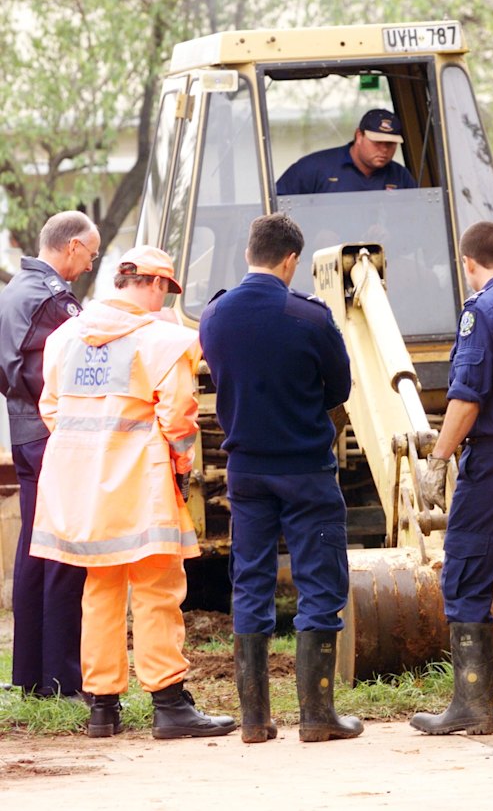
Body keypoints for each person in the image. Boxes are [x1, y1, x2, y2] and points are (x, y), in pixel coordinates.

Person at [30, 245, 236, 740]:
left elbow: (51, 408)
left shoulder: (63, 338)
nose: (164, 301)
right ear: (156, 284)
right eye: (165, 290)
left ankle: (102, 708)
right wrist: (181, 467)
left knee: (99, 592)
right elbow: (179, 418)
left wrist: (92, 450)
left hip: (82, 487)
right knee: (158, 591)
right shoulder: (165, 342)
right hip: (141, 483)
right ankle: (169, 704)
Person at [199, 212, 363, 744]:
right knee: (318, 582)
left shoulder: (214, 316)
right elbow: (339, 388)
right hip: (306, 470)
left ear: (250, 251)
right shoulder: (310, 317)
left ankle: (253, 721)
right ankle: (317, 717)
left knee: (251, 582)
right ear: (291, 260)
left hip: (246, 470)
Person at [410, 221, 493, 736]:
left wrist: (439, 458)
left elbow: (468, 396)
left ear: (469, 264)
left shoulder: (481, 311)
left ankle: (469, 704)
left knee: (464, 571)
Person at [0, 210, 101, 700]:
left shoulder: (10, 294)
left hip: (22, 430)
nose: (90, 265)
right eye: (92, 253)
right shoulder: (51, 301)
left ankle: (32, 677)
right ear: (73, 246)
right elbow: (81, 366)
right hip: (53, 436)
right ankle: (63, 680)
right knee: (64, 549)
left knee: (34, 551)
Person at [276, 108, 416, 195]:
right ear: (359, 136)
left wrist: (390, 232)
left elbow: (416, 220)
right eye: (377, 142)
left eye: (390, 144)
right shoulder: (314, 167)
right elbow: (277, 211)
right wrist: (315, 233)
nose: (384, 149)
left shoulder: (401, 176)